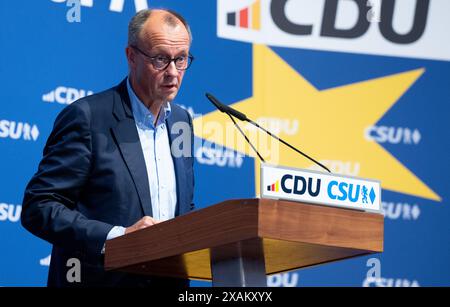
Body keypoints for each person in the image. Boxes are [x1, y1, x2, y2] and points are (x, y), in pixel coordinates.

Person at [21, 8, 195, 287]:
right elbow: (39, 207)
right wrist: (118, 237)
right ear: (131, 57)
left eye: (181, 59)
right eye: (161, 59)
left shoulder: (182, 122)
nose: (173, 72)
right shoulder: (88, 118)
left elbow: (182, 207)